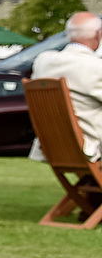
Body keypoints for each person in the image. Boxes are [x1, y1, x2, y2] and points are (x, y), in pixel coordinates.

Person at [30, 11, 102, 162]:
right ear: (98, 34)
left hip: (53, 147)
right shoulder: (96, 67)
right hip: (89, 149)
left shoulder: (43, 62)